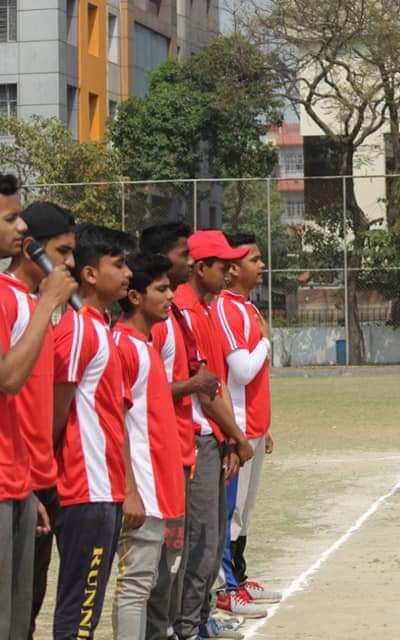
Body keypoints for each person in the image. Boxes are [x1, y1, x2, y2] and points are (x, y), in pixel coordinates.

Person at [139, 222, 223, 640]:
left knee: (185, 550)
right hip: (165, 451)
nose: (189, 264)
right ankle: (177, 628)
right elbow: (146, 390)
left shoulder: (177, 314)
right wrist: (195, 386)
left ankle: (184, 626)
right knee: (166, 558)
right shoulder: (157, 320)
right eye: (183, 256)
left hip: (185, 447)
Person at [0, 184, 77, 640]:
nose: (21, 227)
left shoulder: (30, 304)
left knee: (19, 619)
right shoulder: (13, 299)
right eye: (10, 219)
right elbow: (8, 379)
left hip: (21, 480)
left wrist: (30, 483)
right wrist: (49, 301)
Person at [52, 224, 135, 639]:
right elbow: (56, 411)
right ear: (89, 274)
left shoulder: (101, 327)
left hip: (104, 487)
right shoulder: (79, 328)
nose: (127, 274)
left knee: (88, 607)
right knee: (79, 610)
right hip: (85, 488)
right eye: (118, 265)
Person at [174, 230, 253, 640]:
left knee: (213, 534)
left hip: (212, 437)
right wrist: (237, 437)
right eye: (222, 266)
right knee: (201, 541)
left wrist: (229, 438)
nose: (229, 272)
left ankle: (199, 619)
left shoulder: (205, 309)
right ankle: (189, 627)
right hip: (196, 439)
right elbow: (206, 387)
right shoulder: (185, 311)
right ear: (200, 267)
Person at [111, 254, 186, 639]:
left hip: (160, 486)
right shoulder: (123, 346)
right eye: (161, 289)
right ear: (136, 297)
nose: (170, 296)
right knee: (136, 585)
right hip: (143, 490)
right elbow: (117, 423)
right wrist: (130, 491)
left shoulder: (146, 345)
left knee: (149, 585)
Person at [214, 232, 279, 618]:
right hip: (238, 426)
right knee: (232, 511)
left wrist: (264, 424)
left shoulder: (247, 307)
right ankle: (228, 586)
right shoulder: (228, 307)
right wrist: (266, 343)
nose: (262, 266)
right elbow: (240, 371)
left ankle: (239, 574)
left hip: (254, 423)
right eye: (254, 259)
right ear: (233, 267)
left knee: (245, 511)